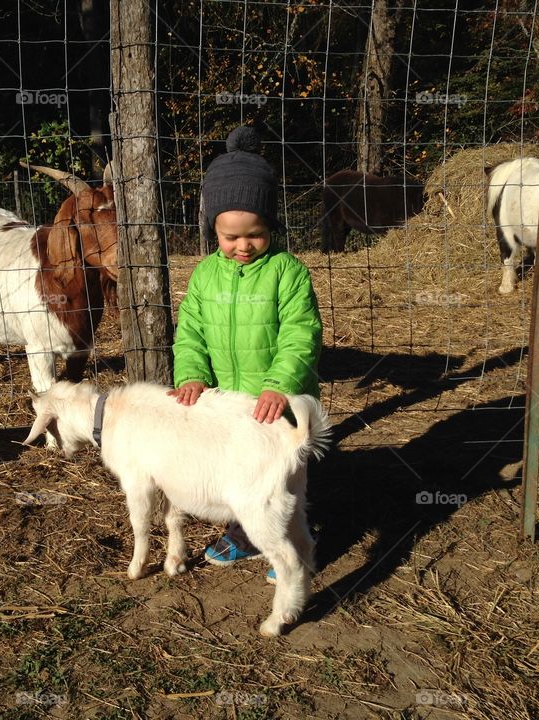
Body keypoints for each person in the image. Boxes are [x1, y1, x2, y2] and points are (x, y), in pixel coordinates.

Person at [169, 125, 322, 582]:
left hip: (277, 402)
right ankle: (243, 533)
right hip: (229, 404)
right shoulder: (203, 277)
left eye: (254, 234)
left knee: (281, 479)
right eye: (229, 237)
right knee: (237, 472)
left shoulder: (287, 272)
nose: (242, 246)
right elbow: (190, 333)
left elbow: (301, 334)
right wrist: (192, 375)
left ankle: (292, 539)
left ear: (270, 225)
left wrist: (281, 385)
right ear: (212, 227)